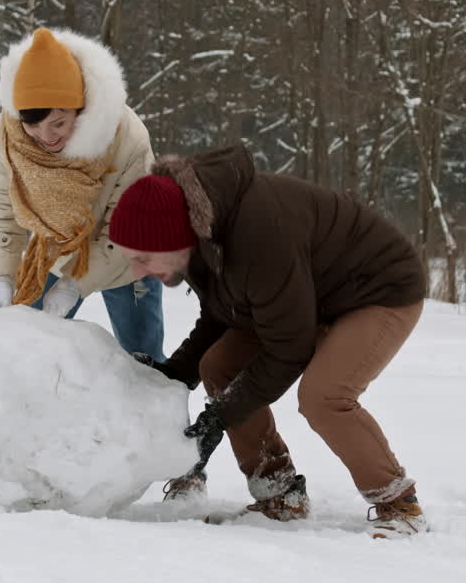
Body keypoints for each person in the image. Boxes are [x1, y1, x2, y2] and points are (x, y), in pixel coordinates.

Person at [107, 144, 430, 538]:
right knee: (218, 366)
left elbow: (289, 349)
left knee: (324, 397)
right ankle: (279, 493)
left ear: (175, 237)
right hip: (305, 297)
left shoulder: (256, 236)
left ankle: (399, 503)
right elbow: (222, 314)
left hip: (376, 290)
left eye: (142, 257)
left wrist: (220, 415)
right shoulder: (200, 235)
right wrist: (174, 373)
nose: (137, 271)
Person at [0, 27, 163, 361]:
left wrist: (74, 286)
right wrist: (0, 277)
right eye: (32, 125)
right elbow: (1, 211)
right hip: (57, 250)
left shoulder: (127, 139)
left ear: (80, 109)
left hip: (130, 257)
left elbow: (128, 229)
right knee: (26, 347)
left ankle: (151, 412)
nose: (45, 137)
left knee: (143, 360)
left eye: (59, 124)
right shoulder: (5, 137)